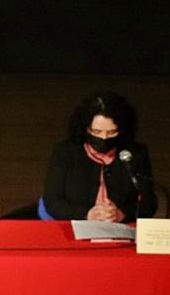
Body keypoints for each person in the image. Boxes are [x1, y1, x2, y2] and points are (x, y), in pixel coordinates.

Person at [42, 90, 156, 222]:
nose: (104, 137)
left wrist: (122, 214)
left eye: (112, 132)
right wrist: (87, 214)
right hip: (77, 225)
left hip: (121, 227)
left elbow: (149, 203)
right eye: (97, 131)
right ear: (86, 128)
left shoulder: (136, 154)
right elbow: (52, 201)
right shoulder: (65, 152)